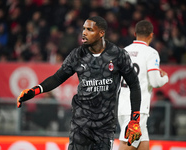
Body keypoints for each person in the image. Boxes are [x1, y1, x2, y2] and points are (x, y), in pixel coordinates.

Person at [17, 16, 142, 150]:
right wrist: (35, 90)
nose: (84, 32)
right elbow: (57, 78)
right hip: (81, 123)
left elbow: (134, 85)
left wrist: (135, 119)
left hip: (105, 127)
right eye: (83, 29)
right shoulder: (77, 55)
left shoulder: (118, 55)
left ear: (101, 33)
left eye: (89, 29)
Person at [117, 20, 169, 150]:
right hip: (136, 112)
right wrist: (165, 78)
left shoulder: (123, 52)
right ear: (151, 35)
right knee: (126, 146)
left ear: (135, 33)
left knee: (143, 144)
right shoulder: (150, 53)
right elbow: (156, 81)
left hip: (123, 107)